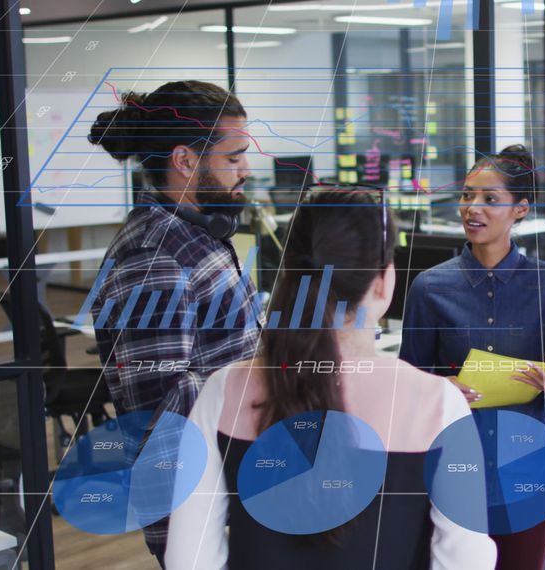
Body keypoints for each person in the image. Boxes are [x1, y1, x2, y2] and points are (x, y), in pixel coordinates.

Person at [165, 189, 496, 569]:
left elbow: (187, 560)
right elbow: (467, 561)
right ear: (383, 282)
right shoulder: (439, 404)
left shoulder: (224, 392)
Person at [86, 80, 261, 566]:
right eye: (233, 158)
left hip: (234, 483)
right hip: (200, 503)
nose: (246, 170)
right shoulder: (153, 257)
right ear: (186, 160)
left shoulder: (197, 236)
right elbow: (162, 409)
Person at [399, 144, 545, 569]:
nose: (471, 208)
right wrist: (437, 388)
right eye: (466, 196)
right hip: (452, 473)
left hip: (527, 472)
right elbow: (409, 385)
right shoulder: (429, 287)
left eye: (489, 199)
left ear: (520, 210)